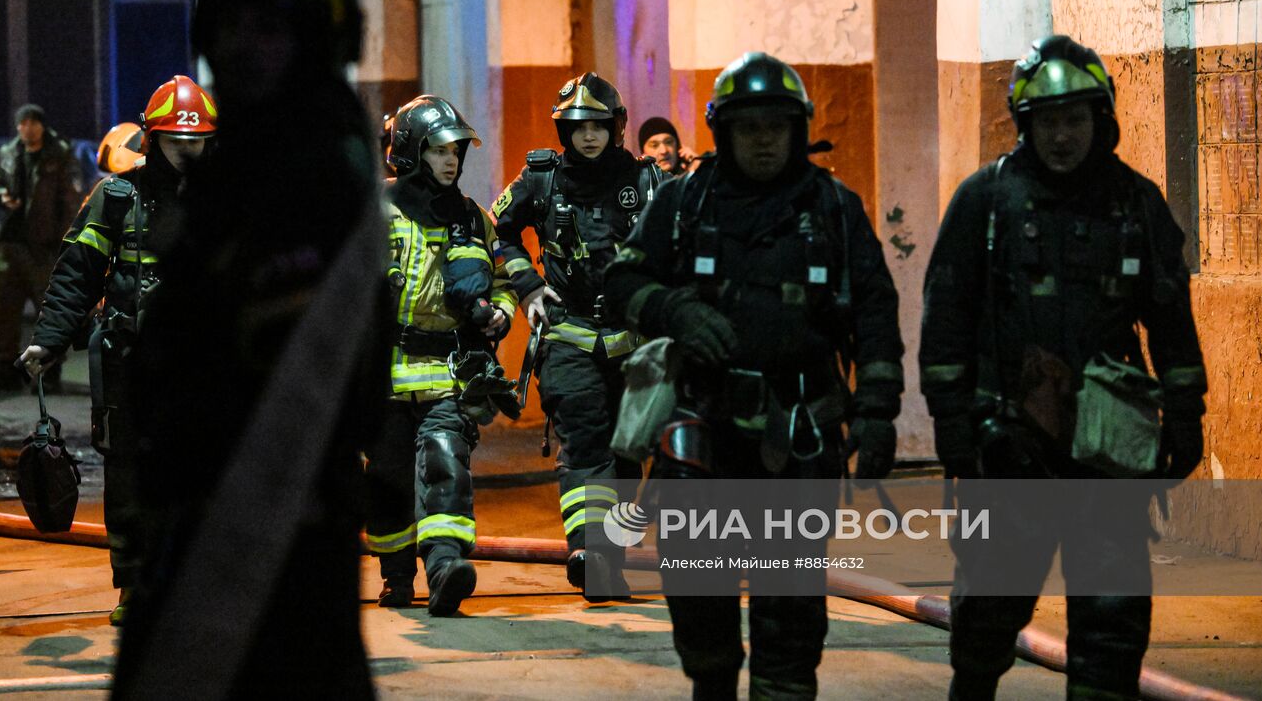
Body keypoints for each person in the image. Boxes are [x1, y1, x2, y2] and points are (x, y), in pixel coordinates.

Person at [111, 0, 384, 700]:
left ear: (318, 36)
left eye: (268, 26)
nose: (239, 46)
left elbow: (266, 388)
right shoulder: (252, 157)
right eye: (226, 24)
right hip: (220, 527)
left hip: (255, 542)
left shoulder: (312, 174)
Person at [603, 51, 904, 700]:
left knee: (790, 615)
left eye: (777, 125)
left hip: (798, 441)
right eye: (749, 126)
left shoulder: (832, 209)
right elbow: (620, 279)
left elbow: (875, 313)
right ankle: (711, 681)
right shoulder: (685, 203)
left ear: (798, 130)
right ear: (723, 132)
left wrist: (878, 411)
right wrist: (671, 306)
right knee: (698, 600)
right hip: (702, 438)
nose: (764, 139)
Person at [919, 35, 1207, 700]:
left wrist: (1186, 412)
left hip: (1107, 451)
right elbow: (947, 319)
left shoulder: (1136, 203)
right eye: (1048, 121)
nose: (1062, 136)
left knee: (1111, 617)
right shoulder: (984, 201)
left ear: (1100, 119)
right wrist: (953, 425)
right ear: (1025, 124)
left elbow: (1170, 320)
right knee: (989, 608)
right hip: (1006, 446)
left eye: (1074, 119)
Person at [18, 75, 216, 626]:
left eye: (196, 141)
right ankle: (133, 586)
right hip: (131, 364)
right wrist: (48, 341)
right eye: (176, 141)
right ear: (152, 139)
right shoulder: (116, 197)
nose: (186, 151)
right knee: (128, 478)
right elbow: (76, 276)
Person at [492, 72, 662, 601]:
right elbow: (495, 233)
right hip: (567, 337)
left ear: (617, 128)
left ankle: (607, 556)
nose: (589, 136)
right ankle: (589, 552)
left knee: (628, 453)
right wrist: (527, 287)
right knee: (585, 441)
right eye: (577, 127)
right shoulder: (540, 179)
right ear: (563, 131)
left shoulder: (649, 183)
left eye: (599, 126)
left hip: (632, 342)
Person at [364, 94, 517, 616]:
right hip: (382, 374)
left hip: (446, 371)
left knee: (445, 461)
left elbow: (501, 281)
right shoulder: (373, 210)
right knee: (386, 480)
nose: (452, 160)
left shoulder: (472, 218)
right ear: (409, 152)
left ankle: (446, 566)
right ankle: (397, 576)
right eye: (439, 150)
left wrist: (500, 312)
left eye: (456, 151)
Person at [0, 105, 83, 393]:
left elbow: (71, 201)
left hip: (44, 247)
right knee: (3, 312)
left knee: (48, 313)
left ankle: (50, 374)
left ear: (42, 125)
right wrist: (2, 197)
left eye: (33, 122)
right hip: (9, 244)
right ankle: (5, 372)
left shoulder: (59, 153)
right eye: (23, 123)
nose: (27, 128)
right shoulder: (8, 152)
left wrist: (63, 242)